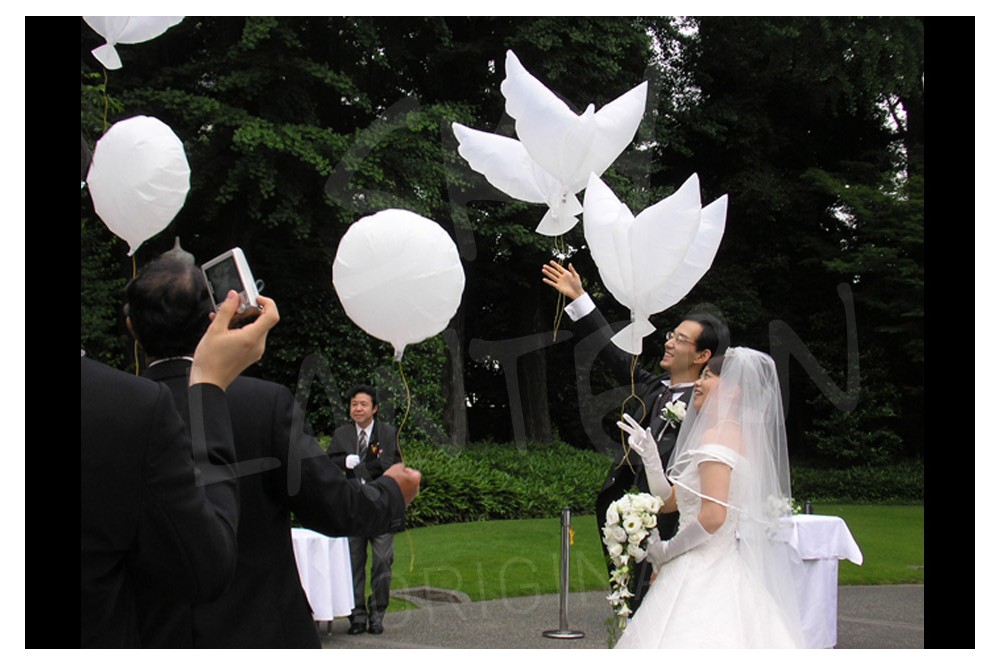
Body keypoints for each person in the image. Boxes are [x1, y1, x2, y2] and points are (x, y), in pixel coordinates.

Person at [124, 256, 422, 648]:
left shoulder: (114, 412)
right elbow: (335, 507)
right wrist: (392, 491)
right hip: (261, 631)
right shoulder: (261, 404)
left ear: (131, 327)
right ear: (215, 319)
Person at [81, 287, 280, 647]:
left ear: (131, 326)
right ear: (209, 322)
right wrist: (207, 389)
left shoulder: (129, 403)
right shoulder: (129, 408)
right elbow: (209, 564)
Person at [541, 260, 727, 608]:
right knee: (634, 604)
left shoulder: (709, 405)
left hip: (675, 523)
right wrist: (580, 298)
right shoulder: (654, 389)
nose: (669, 343)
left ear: (702, 355)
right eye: (671, 335)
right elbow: (611, 354)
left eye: (681, 340)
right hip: (635, 516)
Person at [615, 347, 807, 648]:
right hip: (719, 564)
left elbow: (714, 517)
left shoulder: (717, 437)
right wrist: (652, 460)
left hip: (699, 568)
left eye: (707, 376)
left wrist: (666, 551)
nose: (698, 383)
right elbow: (671, 502)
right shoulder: (734, 436)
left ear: (732, 390)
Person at [326, 385, 402, 636]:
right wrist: (343, 462)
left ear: (375, 408)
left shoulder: (387, 433)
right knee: (353, 562)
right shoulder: (342, 434)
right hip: (353, 508)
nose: (358, 409)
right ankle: (356, 615)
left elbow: (391, 464)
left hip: (380, 508)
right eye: (354, 404)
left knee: (382, 561)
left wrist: (360, 468)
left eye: (363, 404)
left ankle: (377, 614)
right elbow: (328, 462)